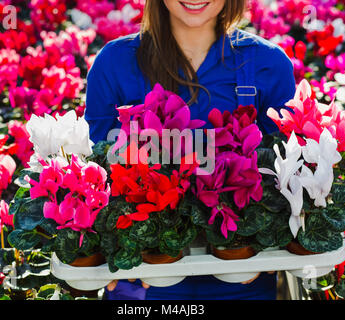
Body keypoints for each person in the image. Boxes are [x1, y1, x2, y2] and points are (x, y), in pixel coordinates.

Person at [84, 0, 296, 300]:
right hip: (145, 280)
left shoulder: (266, 63)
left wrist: (273, 244)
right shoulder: (115, 63)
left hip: (243, 275)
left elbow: (285, 176)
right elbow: (101, 171)